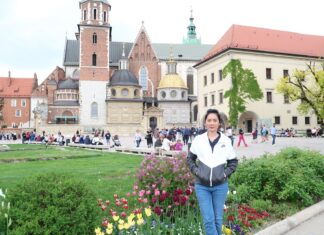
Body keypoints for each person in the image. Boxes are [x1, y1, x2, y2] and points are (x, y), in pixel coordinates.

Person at [187, 109, 238, 235]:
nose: (211, 123)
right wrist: (197, 172)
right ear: (205, 123)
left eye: (214, 120)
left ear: (219, 123)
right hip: (202, 186)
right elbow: (190, 159)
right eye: (209, 120)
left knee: (217, 220)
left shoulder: (226, 141)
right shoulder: (198, 140)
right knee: (209, 220)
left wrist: (224, 174)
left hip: (220, 186)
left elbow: (233, 162)